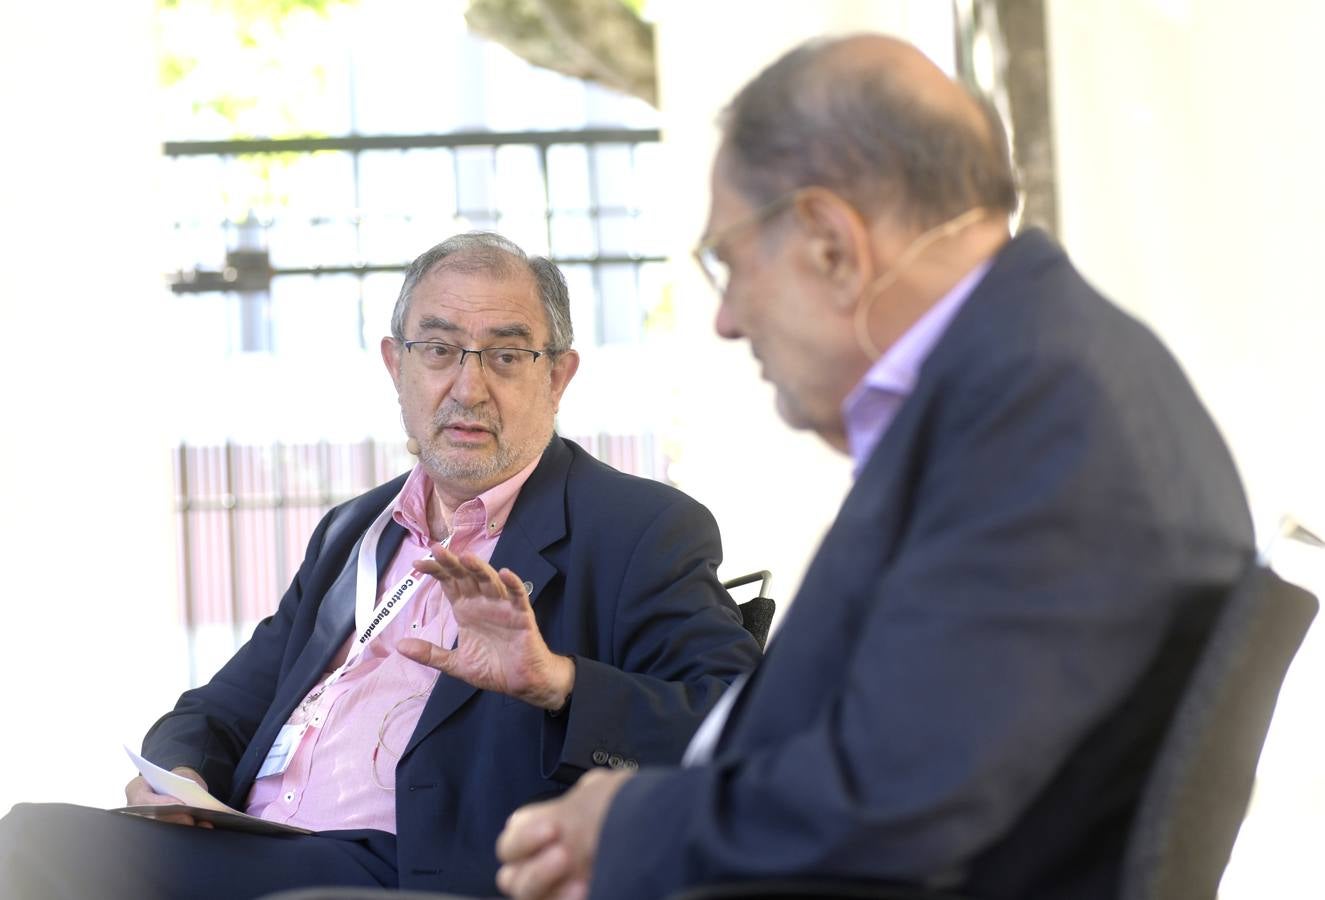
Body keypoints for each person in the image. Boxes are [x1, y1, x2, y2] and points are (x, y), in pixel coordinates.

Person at [493, 33, 1255, 900]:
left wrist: (626, 825)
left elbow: (898, 803)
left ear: (827, 242)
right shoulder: (1030, 376)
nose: (727, 321)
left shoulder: (1040, 413)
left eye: (729, 264)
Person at [0, 232, 761, 898]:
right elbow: (217, 710)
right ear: (396, 365)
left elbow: (737, 728)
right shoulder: (354, 531)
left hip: (413, 871)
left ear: (557, 377)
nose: (467, 387)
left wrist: (556, 683)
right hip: (258, 847)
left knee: (36, 846)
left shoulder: (638, 528)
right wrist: (184, 781)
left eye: (504, 354)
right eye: (437, 351)